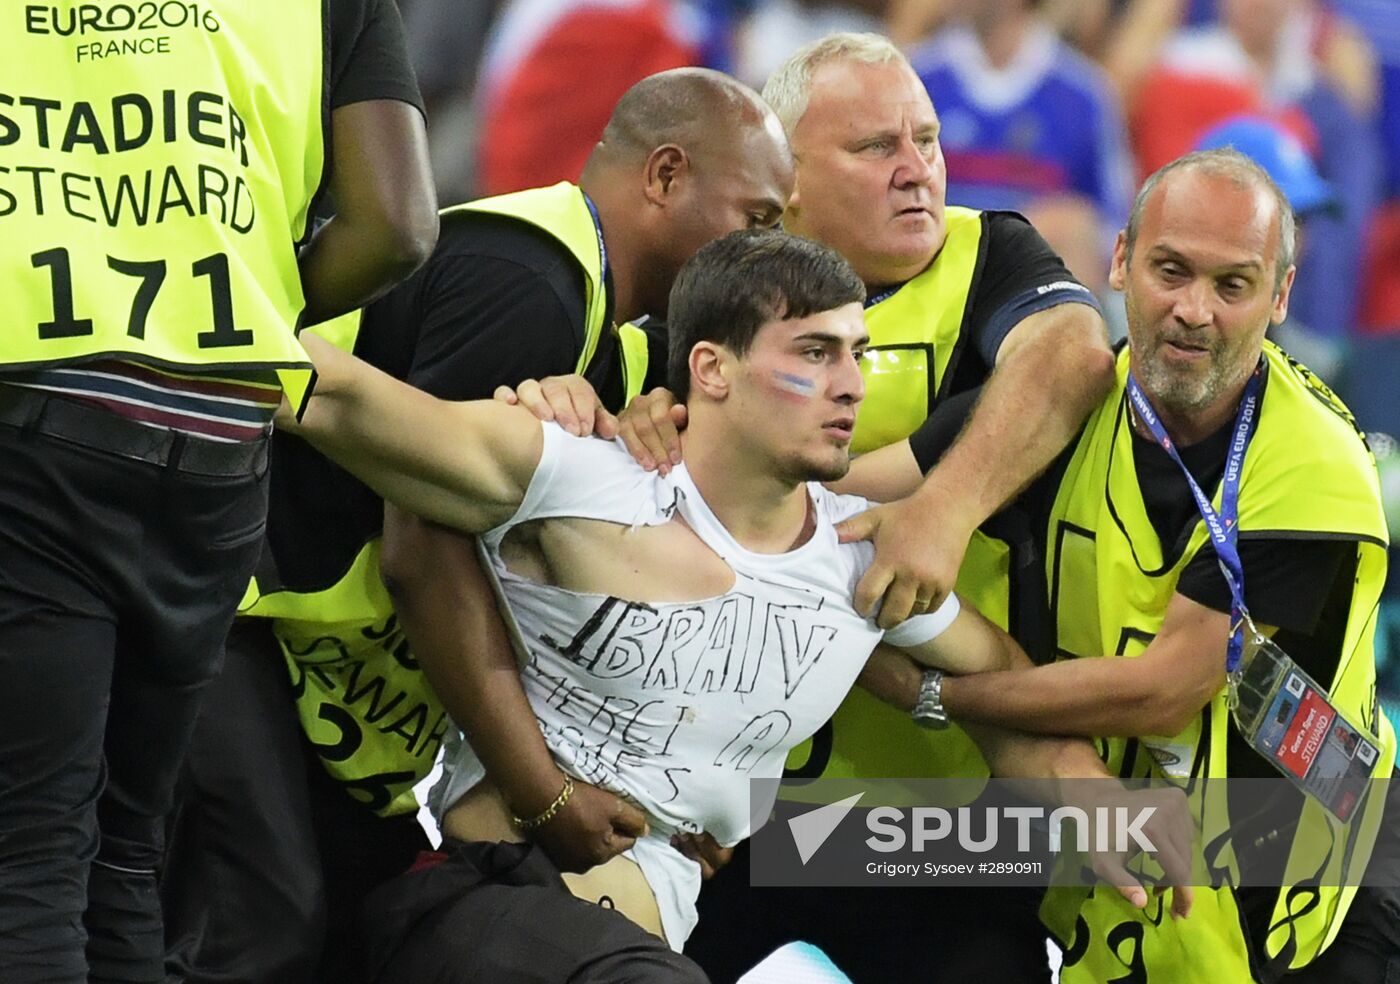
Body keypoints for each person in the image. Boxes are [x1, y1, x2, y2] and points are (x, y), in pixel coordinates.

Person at [281, 229, 1191, 982]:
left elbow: (1004, 685)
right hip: (474, 909)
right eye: (815, 352)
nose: (851, 385)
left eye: (858, 356)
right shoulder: (580, 475)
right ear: (711, 369)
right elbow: (343, 400)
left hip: (651, 944)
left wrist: (1087, 792)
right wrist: (192, 290)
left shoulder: (859, 565)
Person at [161, 67, 795, 982]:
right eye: (758, 219)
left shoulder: (618, 341)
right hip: (241, 623)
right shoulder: (527, 276)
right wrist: (541, 790)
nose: (762, 259)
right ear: (663, 175)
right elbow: (422, 552)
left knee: (348, 933)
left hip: (327, 686)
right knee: (262, 929)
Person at [613, 31, 1115, 980]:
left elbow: (1073, 357)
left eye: (925, 139)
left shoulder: (988, 255)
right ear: (786, 176)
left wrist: (940, 511)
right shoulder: (716, 292)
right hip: (736, 813)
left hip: (938, 817)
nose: (917, 170)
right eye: (876, 147)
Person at [845, 148, 1398, 981]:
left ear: (1280, 297)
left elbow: (1164, 688)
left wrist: (940, 698)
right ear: (1120, 261)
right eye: (1170, 270)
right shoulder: (1051, 414)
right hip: (1124, 870)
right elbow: (838, 509)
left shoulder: (1312, 464)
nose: (1193, 310)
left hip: (1320, 882)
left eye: (1232, 285)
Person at [0, 2, 437, 980]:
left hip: (37, 408)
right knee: (126, 853)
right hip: (218, 434)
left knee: (28, 857)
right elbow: (398, 227)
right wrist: (241, 301)